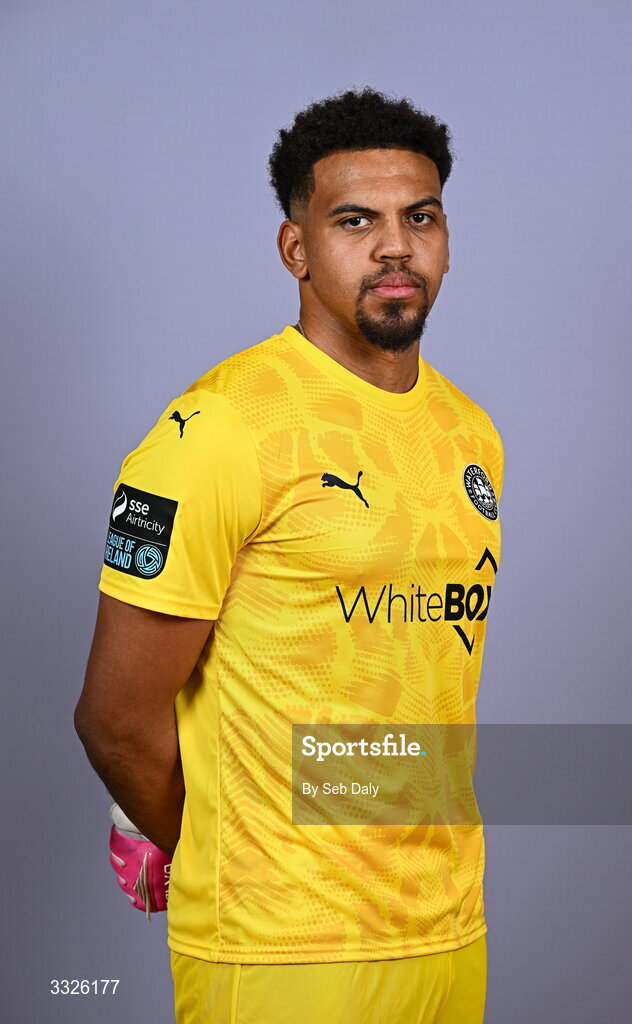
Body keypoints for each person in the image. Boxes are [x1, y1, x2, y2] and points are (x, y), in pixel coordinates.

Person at [75, 86, 504, 1024]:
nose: (395, 245)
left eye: (419, 216)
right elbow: (115, 718)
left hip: (446, 931)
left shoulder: (470, 432)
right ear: (296, 249)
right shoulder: (220, 430)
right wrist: (229, 851)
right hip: (282, 952)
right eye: (355, 220)